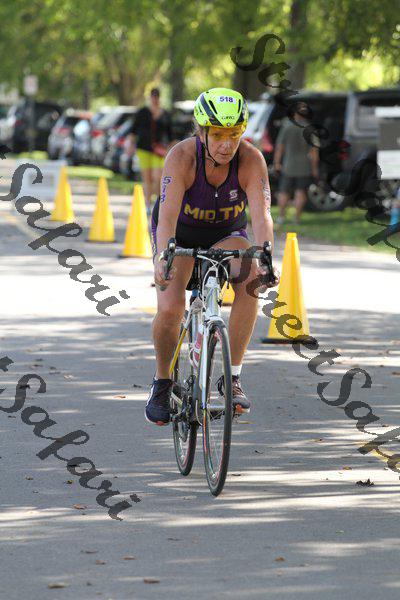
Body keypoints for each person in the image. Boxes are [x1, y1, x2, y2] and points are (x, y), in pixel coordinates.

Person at [145, 87, 280, 426]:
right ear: (201, 132)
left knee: (251, 278)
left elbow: (261, 216)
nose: (226, 144)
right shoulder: (182, 157)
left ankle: (232, 377)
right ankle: (162, 381)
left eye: (234, 134)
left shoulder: (251, 160)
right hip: (180, 235)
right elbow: (167, 216)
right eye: (218, 134)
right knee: (171, 308)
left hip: (227, 236)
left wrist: (267, 256)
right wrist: (162, 257)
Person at [273, 102, 319, 225]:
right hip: (304, 167)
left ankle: (281, 217)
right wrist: (314, 169)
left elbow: (280, 147)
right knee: (301, 192)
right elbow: (314, 151)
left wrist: (277, 163)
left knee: (284, 192)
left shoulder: (287, 126)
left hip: (288, 165)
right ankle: (296, 218)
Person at [131, 88, 173, 213]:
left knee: (158, 177)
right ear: (150, 97)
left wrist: (170, 149)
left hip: (159, 150)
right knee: (147, 178)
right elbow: (134, 130)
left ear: (159, 97)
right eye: (153, 96)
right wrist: (130, 145)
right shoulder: (142, 112)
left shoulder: (165, 114)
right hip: (143, 149)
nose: (155, 99)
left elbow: (171, 134)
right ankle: (148, 204)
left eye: (157, 96)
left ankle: (158, 202)